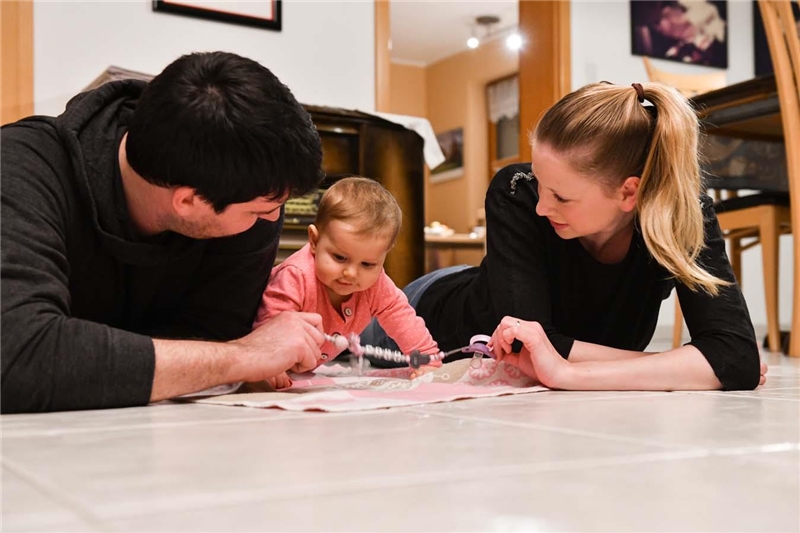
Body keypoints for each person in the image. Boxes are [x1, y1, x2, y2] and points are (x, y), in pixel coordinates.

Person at [363, 81, 766, 391]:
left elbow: (736, 357)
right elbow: (533, 346)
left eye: (561, 196)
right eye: (542, 184)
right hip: (421, 313)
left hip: (505, 287)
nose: (541, 206)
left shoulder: (680, 211)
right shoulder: (517, 190)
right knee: (340, 334)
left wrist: (568, 373)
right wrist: (687, 365)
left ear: (630, 192)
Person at [1, 51, 327, 414]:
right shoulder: (20, 170)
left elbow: (211, 334)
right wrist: (245, 355)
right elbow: (18, 356)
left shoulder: (244, 192)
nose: (272, 219)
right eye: (261, 210)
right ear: (187, 202)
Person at [255, 177, 441, 387]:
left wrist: (425, 358)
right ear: (314, 241)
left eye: (368, 264)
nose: (351, 273)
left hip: (304, 365)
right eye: (340, 258)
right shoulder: (296, 276)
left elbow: (402, 317)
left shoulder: (376, 284)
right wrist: (270, 364)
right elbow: (271, 322)